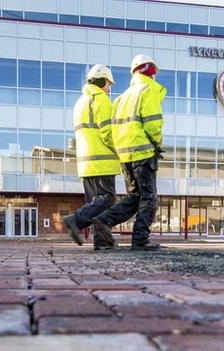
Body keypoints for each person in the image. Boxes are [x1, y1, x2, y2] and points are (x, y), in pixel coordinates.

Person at [91, 54, 166, 251]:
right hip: (143, 153)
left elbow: (113, 129)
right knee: (149, 198)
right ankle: (140, 241)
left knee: (134, 198)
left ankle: (103, 221)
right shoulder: (147, 89)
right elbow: (153, 124)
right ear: (150, 71)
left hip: (125, 156)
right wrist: (157, 144)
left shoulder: (121, 97)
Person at [63, 64, 120, 250]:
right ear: (102, 81)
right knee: (108, 198)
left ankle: (102, 242)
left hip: (86, 163)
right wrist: (120, 150)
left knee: (96, 205)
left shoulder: (80, 102)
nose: (109, 89)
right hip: (101, 161)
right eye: (109, 84)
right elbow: (106, 132)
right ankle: (76, 220)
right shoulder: (100, 99)